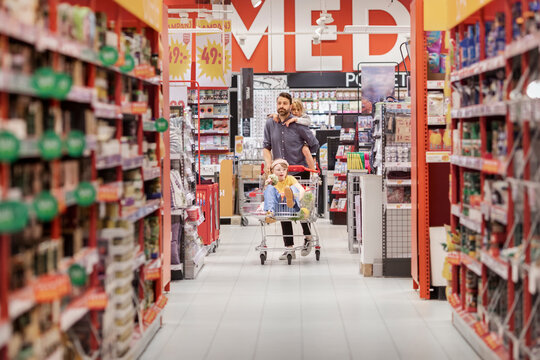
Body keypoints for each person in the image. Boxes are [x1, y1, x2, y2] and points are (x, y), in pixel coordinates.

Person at [263, 92, 319, 259]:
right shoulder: (270, 124)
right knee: (282, 210)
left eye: (285, 103)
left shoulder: (298, 125)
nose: (282, 106)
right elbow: (266, 147)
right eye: (279, 103)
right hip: (280, 173)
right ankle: (289, 247)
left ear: (290, 106)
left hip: (299, 173)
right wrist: (268, 163)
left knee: (299, 208)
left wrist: (309, 158)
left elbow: (314, 144)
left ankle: (308, 237)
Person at [270, 98, 316, 171]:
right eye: (293, 110)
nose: (296, 112)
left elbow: (308, 121)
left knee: (306, 150)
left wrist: (296, 119)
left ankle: (313, 171)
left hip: (304, 141)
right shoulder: (286, 118)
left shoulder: (303, 117)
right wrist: (275, 115)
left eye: (298, 110)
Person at [263, 159, 310, 228]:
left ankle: (292, 200)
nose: (281, 172)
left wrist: (297, 199)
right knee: (269, 188)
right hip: (277, 207)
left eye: (284, 169)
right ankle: (270, 213)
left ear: (287, 171)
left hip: (291, 207)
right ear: (272, 171)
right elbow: (268, 195)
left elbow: (301, 189)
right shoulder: (271, 181)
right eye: (278, 170)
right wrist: (267, 184)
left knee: (293, 188)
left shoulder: (290, 178)